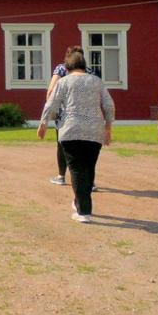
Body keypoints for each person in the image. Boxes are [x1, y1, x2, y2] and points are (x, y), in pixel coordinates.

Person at [37, 48, 114, 224]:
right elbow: (109, 105)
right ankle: (80, 201)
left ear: (68, 67)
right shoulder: (96, 81)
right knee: (88, 167)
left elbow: (51, 103)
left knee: (76, 169)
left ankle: (83, 211)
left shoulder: (64, 82)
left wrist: (43, 124)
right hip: (94, 131)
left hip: (70, 130)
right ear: (84, 65)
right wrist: (108, 128)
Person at [46, 48, 99, 191]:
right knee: (87, 147)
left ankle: (61, 176)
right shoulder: (90, 72)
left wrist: (52, 111)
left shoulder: (61, 69)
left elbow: (51, 90)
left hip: (65, 115)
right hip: (88, 115)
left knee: (62, 144)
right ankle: (90, 181)